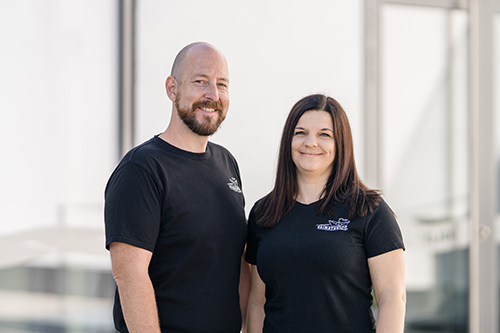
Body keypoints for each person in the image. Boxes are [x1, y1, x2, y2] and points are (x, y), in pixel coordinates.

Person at [104, 42, 250, 333]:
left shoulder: (226, 163)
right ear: (172, 89)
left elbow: (238, 264)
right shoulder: (142, 168)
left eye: (222, 84)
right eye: (200, 82)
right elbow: (129, 274)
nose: (213, 95)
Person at [245, 94, 406, 333]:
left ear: (340, 144)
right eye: (300, 133)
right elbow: (257, 303)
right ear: (288, 140)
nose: (310, 142)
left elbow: (392, 297)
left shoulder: (368, 210)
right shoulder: (264, 213)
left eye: (324, 134)